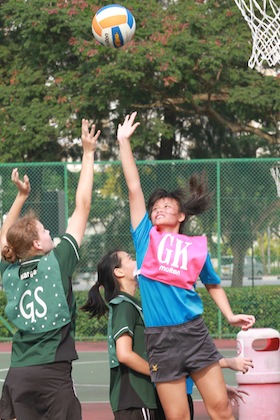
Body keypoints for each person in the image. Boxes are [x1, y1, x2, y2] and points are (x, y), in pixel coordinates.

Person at [117, 111, 256, 420]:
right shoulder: (144, 238)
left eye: (167, 206)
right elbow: (134, 187)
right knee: (178, 416)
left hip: (194, 332)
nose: (159, 209)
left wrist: (230, 314)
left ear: (181, 216)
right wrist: (123, 142)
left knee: (220, 408)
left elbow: (213, 283)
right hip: (160, 337)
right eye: (155, 208)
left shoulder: (195, 248)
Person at [0, 119, 100, 420]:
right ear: (37, 244)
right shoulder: (57, 261)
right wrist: (87, 153)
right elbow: (82, 206)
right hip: (52, 374)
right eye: (45, 232)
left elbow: (6, 237)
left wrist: (20, 197)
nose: (50, 234)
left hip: (18, 372)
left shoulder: (10, 270)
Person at [81, 249, 166, 420]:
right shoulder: (124, 306)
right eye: (130, 258)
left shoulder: (133, 304)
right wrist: (158, 372)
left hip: (142, 397)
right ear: (118, 272)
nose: (136, 261)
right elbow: (124, 354)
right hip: (135, 398)